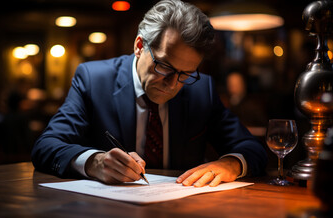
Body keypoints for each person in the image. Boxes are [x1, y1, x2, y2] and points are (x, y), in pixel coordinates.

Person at [32, 0, 267, 187]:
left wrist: (231, 164)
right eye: (164, 66)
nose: (173, 84)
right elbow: (46, 146)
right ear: (139, 46)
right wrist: (95, 162)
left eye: (186, 73)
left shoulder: (200, 89)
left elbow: (253, 149)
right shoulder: (94, 80)